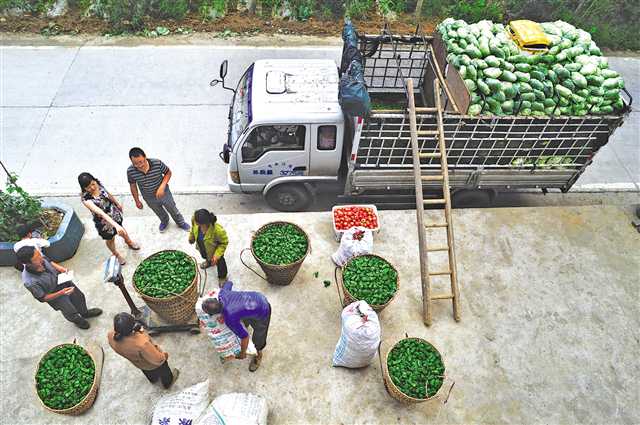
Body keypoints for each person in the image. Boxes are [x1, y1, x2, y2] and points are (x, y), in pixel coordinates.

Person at [17, 246, 102, 329]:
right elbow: (42, 298)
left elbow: (48, 260)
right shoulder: (30, 282)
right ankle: (78, 321)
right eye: (37, 258)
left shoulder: (39, 257)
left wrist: (60, 268)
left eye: (39, 254)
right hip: (55, 295)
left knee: (79, 297)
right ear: (28, 263)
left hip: (62, 281)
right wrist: (61, 292)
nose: (41, 257)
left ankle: (85, 313)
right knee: (69, 310)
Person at [201, 281, 271, 372]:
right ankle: (246, 322)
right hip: (255, 297)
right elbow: (229, 283)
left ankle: (258, 353)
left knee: (259, 335)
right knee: (243, 315)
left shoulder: (230, 318)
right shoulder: (222, 293)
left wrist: (242, 353)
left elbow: (245, 337)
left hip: (263, 309)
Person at [78, 172, 139, 265]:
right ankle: (116, 254)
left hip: (114, 213)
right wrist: (115, 226)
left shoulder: (98, 184)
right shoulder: (86, 199)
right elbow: (101, 213)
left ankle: (129, 242)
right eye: (88, 187)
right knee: (110, 239)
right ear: (84, 188)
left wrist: (117, 203)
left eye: (93, 184)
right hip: (103, 223)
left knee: (122, 229)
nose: (92, 188)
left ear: (94, 180)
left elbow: (107, 194)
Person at [126, 147, 190, 233]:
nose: (139, 165)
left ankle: (180, 222)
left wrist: (162, 186)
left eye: (141, 162)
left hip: (164, 193)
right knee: (158, 211)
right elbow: (133, 185)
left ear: (145, 157)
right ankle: (164, 221)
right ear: (131, 161)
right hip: (148, 197)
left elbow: (168, 172)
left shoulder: (157, 163)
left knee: (172, 208)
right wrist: (137, 200)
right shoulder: (130, 171)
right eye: (135, 163)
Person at [107, 312, 179, 389]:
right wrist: (164, 356)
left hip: (139, 363)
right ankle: (168, 383)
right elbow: (158, 359)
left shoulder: (111, 335)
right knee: (164, 370)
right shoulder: (141, 343)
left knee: (148, 371)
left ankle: (153, 379)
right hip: (152, 364)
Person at [188, 209, 229, 278]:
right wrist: (192, 237)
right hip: (202, 245)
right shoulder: (195, 220)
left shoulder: (218, 231)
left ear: (205, 223)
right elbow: (193, 228)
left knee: (220, 263)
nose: (196, 224)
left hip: (215, 250)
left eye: (198, 223)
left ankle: (222, 277)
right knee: (205, 255)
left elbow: (224, 243)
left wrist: (217, 255)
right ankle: (208, 262)